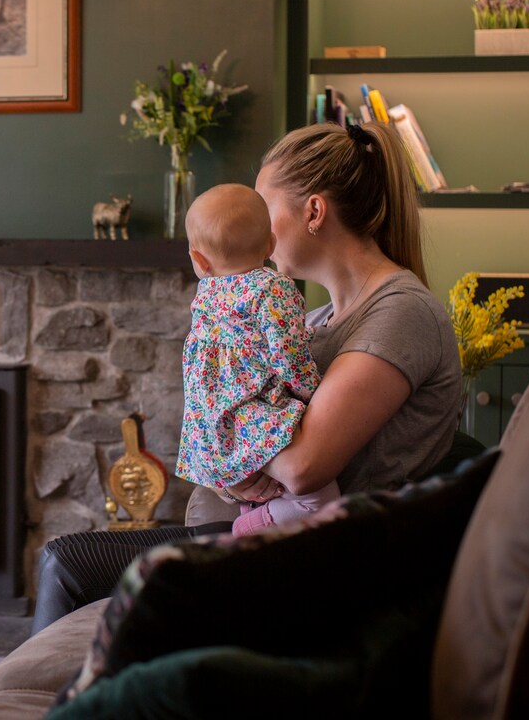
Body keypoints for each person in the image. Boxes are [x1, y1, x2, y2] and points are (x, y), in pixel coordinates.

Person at [29, 121, 461, 634]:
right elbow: (259, 441)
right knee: (65, 560)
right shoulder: (315, 319)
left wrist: (224, 427)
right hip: (267, 538)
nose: (249, 225)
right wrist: (234, 464)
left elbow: (302, 467)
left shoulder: (401, 314)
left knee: (68, 565)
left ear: (314, 212)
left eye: (262, 206)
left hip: (328, 564)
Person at [176, 183, 335, 536]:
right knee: (320, 502)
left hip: (212, 423)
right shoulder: (272, 289)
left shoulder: (205, 296)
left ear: (198, 261)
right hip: (253, 412)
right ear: (270, 245)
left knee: (267, 489)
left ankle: (253, 520)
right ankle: (248, 529)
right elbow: (288, 355)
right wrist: (314, 394)